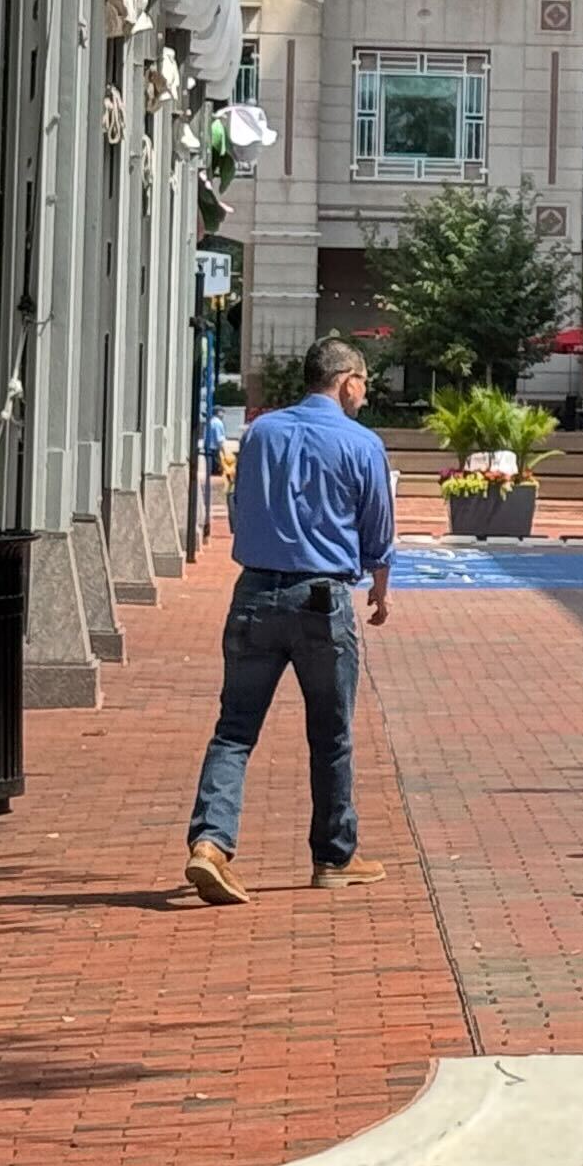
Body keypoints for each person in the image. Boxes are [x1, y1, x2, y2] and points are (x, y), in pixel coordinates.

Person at [184, 335, 396, 904]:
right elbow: (376, 524)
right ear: (347, 380)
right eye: (365, 383)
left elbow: (240, 503)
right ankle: (333, 856)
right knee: (330, 733)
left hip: (255, 590)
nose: (365, 394)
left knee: (234, 729)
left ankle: (210, 842)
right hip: (321, 599)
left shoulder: (260, 433)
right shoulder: (361, 442)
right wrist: (379, 580)